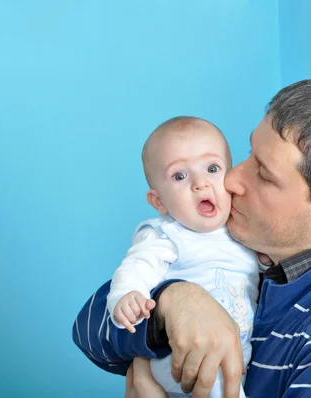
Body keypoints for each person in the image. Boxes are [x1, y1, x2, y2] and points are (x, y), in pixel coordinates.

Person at [73, 78, 311, 398]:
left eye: (264, 175)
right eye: (250, 153)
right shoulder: (263, 250)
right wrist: (174, 300)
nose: (231, 181)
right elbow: (90, 332)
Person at [90, 116, 260, 397]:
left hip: (235, 352)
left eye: (213, 168)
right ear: (159, 201)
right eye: (180, 176)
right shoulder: (166, 234)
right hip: (179, 357)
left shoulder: (242, 229)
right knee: (222, 385)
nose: (200, 184)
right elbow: (138, 265)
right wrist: (127, 294)